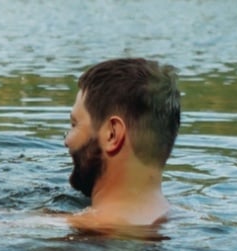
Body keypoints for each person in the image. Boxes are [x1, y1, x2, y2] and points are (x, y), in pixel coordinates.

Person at [63, 58, 181, 231]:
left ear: (112, 134)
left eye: (75, 125)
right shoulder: (187, 218)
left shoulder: (50, 227)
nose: (67, 140)